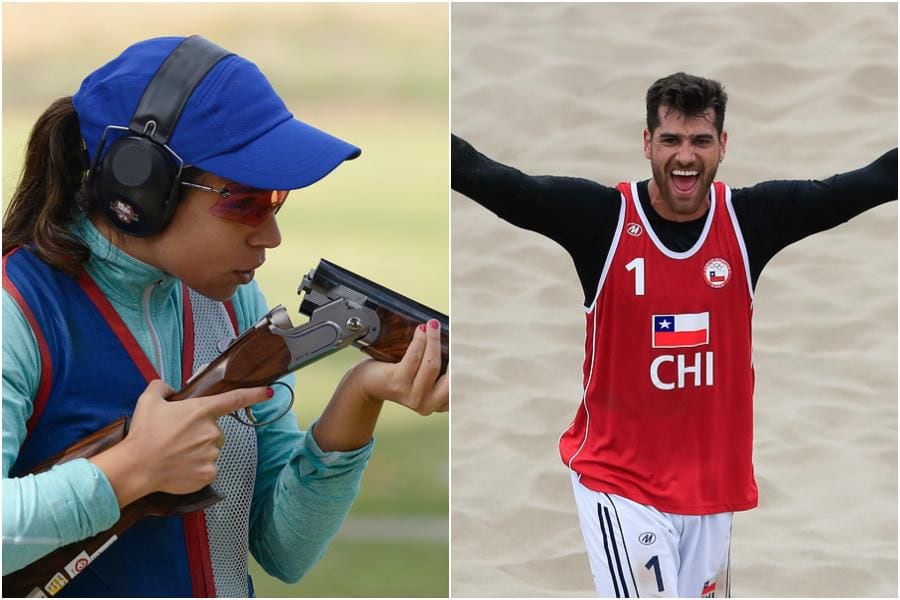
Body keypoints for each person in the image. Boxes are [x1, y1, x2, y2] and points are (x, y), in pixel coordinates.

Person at [2, 35, 448, 597]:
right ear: (139, 187)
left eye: (276, 198)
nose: (271, 235)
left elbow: (284, 549)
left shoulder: (234, 304)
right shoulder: (16, 309)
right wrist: (130, 472)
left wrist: (360, 395)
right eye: (244, 202)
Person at [451, 72, 896, 597]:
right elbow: (501, 183)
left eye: (700, 141)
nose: (685, 157)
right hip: (621, 484)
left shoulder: (749, 220)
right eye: (671, 140)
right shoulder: (602, 220)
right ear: (647, 144)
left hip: (710, 491)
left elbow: (860, 186)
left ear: (722, 147)